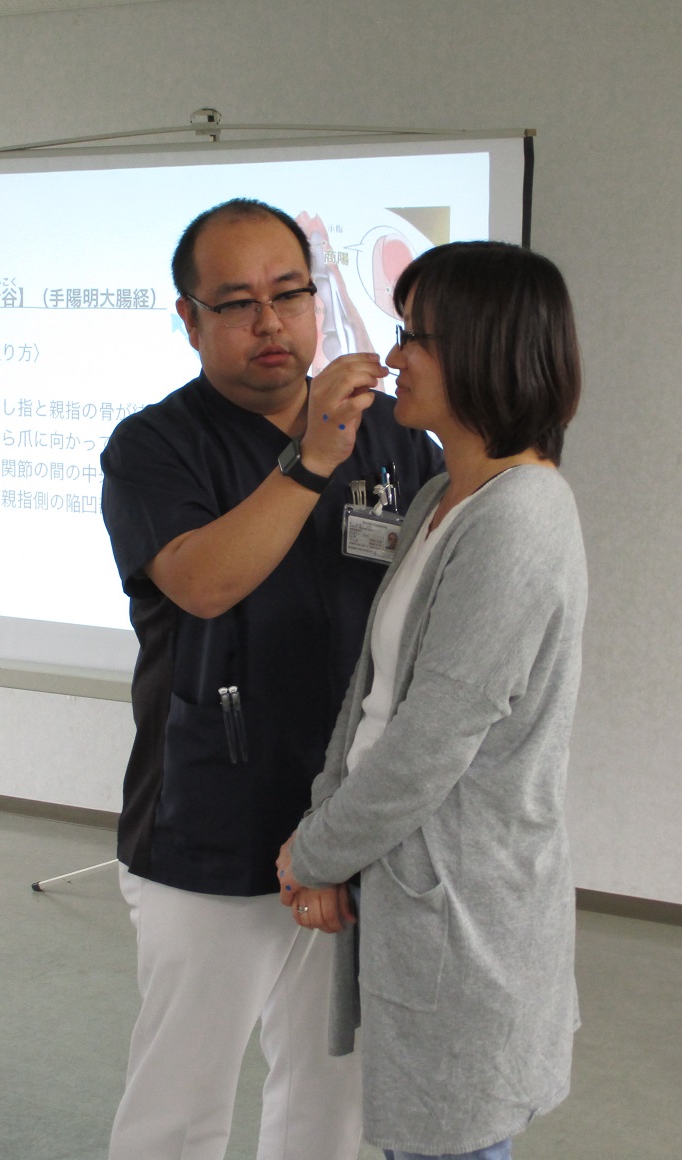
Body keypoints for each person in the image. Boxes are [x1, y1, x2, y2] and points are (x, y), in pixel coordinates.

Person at [99, 198, 443, 1160]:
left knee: (329, 1096)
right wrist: (313, 456)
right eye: (238, 303)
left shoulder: (394, 438)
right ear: (189, 318)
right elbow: (203, 584)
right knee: (180, 1105)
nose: (271, 323)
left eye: (290, 294)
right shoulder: (155, 446)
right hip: (213, 817)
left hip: (347, 823)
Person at [276, 241, 588, 1160]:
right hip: (410, 885)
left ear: (488, 350)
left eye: (416, 336)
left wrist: (316, 852)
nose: (393, 355)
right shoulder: (443, 498)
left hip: (466, 910)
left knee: (449, 1136)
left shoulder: (520, 519)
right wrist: (324, 830)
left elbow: (429, 742)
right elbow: (371, 696)